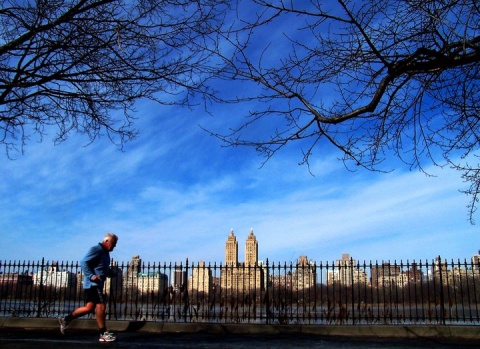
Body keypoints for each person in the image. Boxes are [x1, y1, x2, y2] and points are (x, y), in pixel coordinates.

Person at [59, 233, 119, 342]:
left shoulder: (106, 254)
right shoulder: (96, 249)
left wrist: (112, 273)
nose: (114, 247)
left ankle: (65, 319)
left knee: (89, 308)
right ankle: (103, 334)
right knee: (101, 306)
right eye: (113, 244)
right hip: (93, 284)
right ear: (107, 241)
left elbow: (102, 268)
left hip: (97, 285)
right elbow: (83, 262)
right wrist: (91, 276)